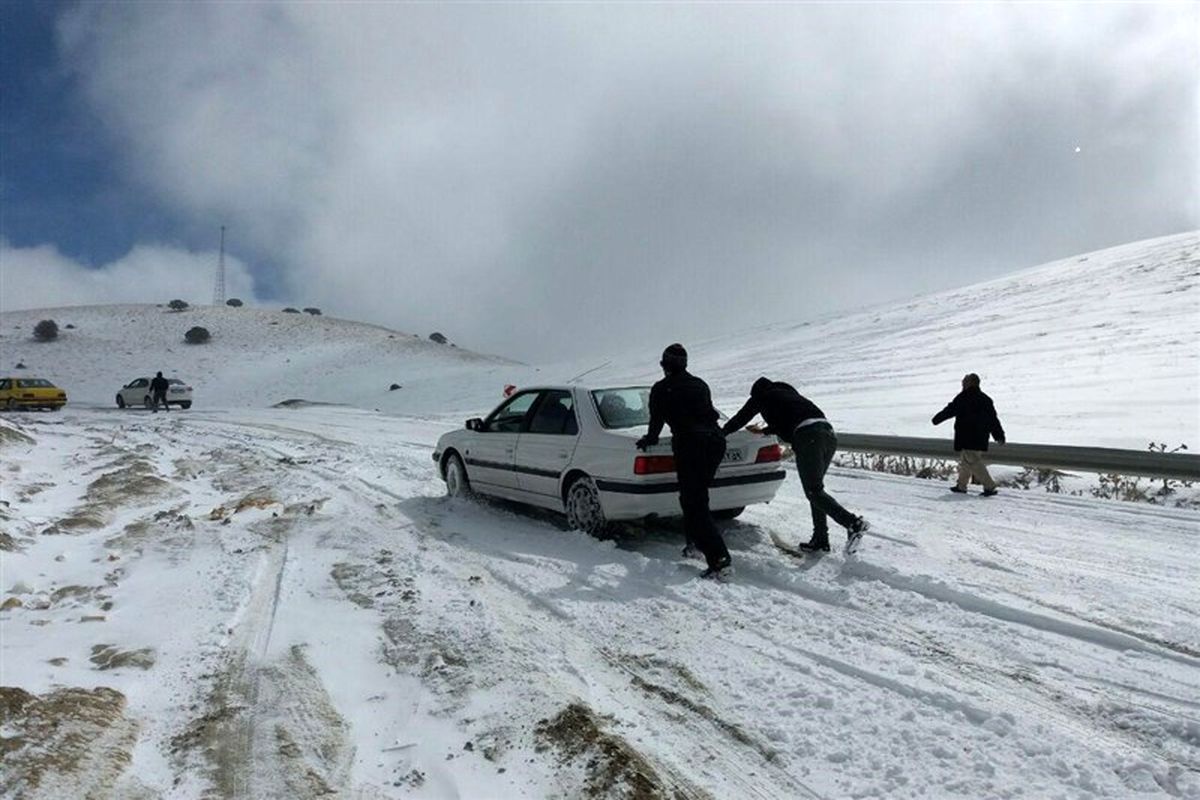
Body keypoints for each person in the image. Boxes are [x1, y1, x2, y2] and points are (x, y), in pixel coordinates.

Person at [723, 377, 869, 554]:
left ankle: (853, 523)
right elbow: (784, 422)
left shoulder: (762, 396)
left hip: (808, 437)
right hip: (828, 434)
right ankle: (820, 540)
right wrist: (763, 431)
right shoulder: (788, 395)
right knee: (816, 491)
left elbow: (740, 418)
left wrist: (720, 433)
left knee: (813, 491)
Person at [635, 344, 731, 578]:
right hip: (715, 441)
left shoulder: (661, 388)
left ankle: (720, 559)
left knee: (693, 502)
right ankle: (694, 544)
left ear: (664, 365)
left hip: (692, 444)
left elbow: (656, 421)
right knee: (696, 497)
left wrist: (648, 439)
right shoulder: (700, 384)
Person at [931, 373, 1006, 496]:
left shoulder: (964, 397)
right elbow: (993, 420)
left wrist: (936, 419)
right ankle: (961, 486)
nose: (962, 383)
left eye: (964, 381)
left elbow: (950, 410)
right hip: (981, 436)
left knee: (973, 461)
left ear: (970, 383)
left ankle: (990, 486)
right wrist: (999, 435)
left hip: (967, 436)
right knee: (966, 461)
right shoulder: (985, 399)